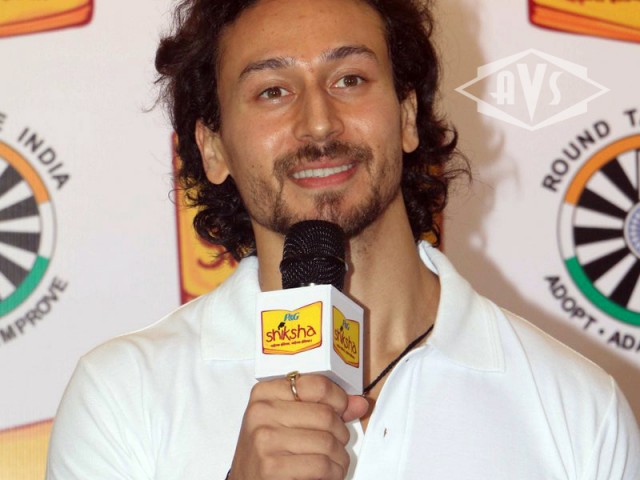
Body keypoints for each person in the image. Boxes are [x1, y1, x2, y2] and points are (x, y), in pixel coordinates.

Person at [46, 0, 640, 478]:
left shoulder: (577, 409)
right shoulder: (123, 398)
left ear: (406, 117)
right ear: (213, 148)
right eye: (272, 90)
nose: (319, 123)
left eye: (350, 79)